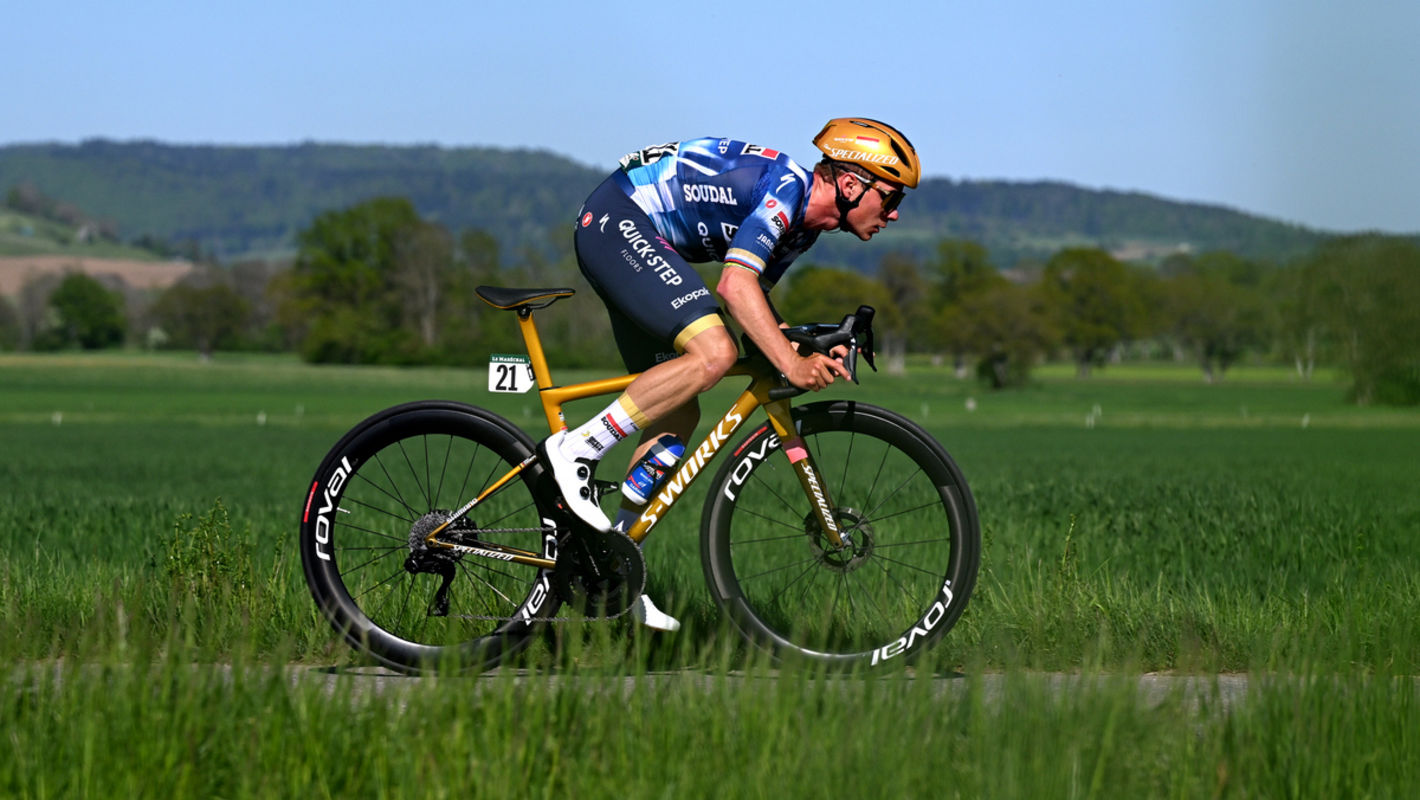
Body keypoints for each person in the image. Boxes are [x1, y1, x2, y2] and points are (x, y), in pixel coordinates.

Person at [535, 117, 921, 631]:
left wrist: (806, 345)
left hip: (632, 233)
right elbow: (735, 287)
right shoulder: (787, 192)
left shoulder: (804, 229)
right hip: (619, 219)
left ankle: (610, 566)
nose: (894, 214)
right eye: (891, 199)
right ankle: (577, 450)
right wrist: (790, 363)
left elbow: (756, 308)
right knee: (714, 354)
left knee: (678, 411)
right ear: (851, 185)